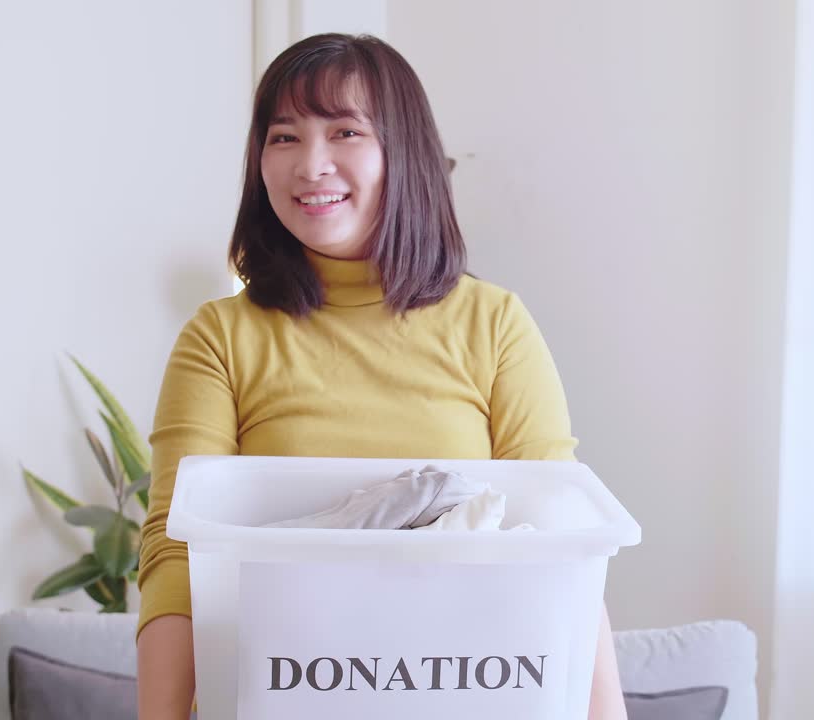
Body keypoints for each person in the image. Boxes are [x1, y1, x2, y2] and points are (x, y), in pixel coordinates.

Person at [136, 32, 628, 720]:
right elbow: (177, 552)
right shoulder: (221, 337)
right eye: (284, 137)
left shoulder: (495, 325)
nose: (311, 165)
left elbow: (562, 545)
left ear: (405, 151)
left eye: (345, 131)